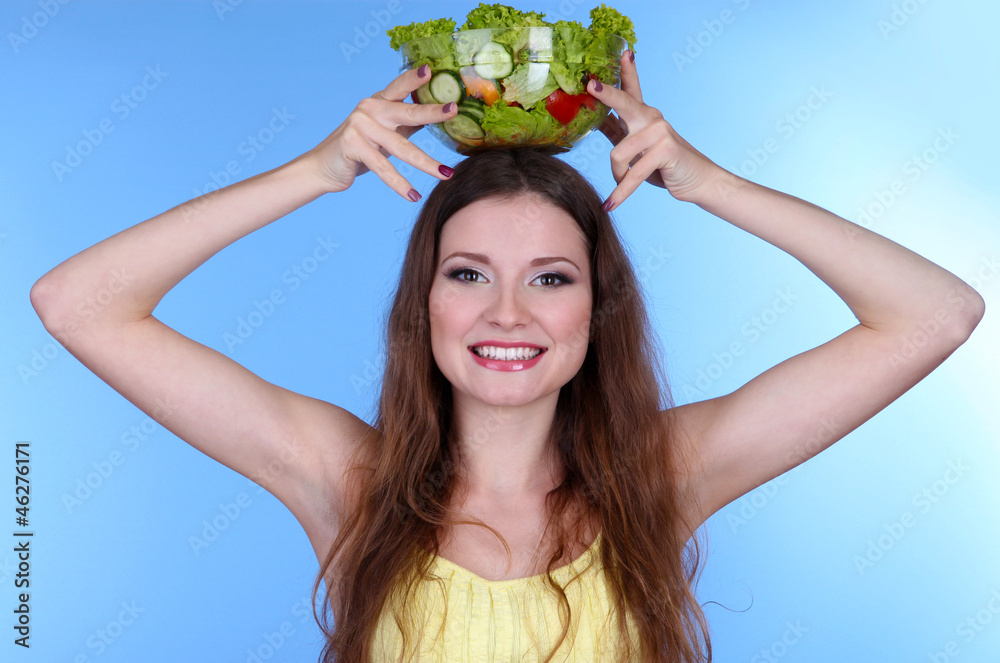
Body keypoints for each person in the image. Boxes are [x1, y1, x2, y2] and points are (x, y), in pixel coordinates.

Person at [30, 52, 984, 663]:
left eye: (552, 279)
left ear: (597, 310)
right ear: (426, 303)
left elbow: (935, 314)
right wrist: (315, 172)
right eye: (470, 273)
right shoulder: (349, 483)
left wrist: (708, 183)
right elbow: (78, 305)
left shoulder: (661, 476)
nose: (508, 312)